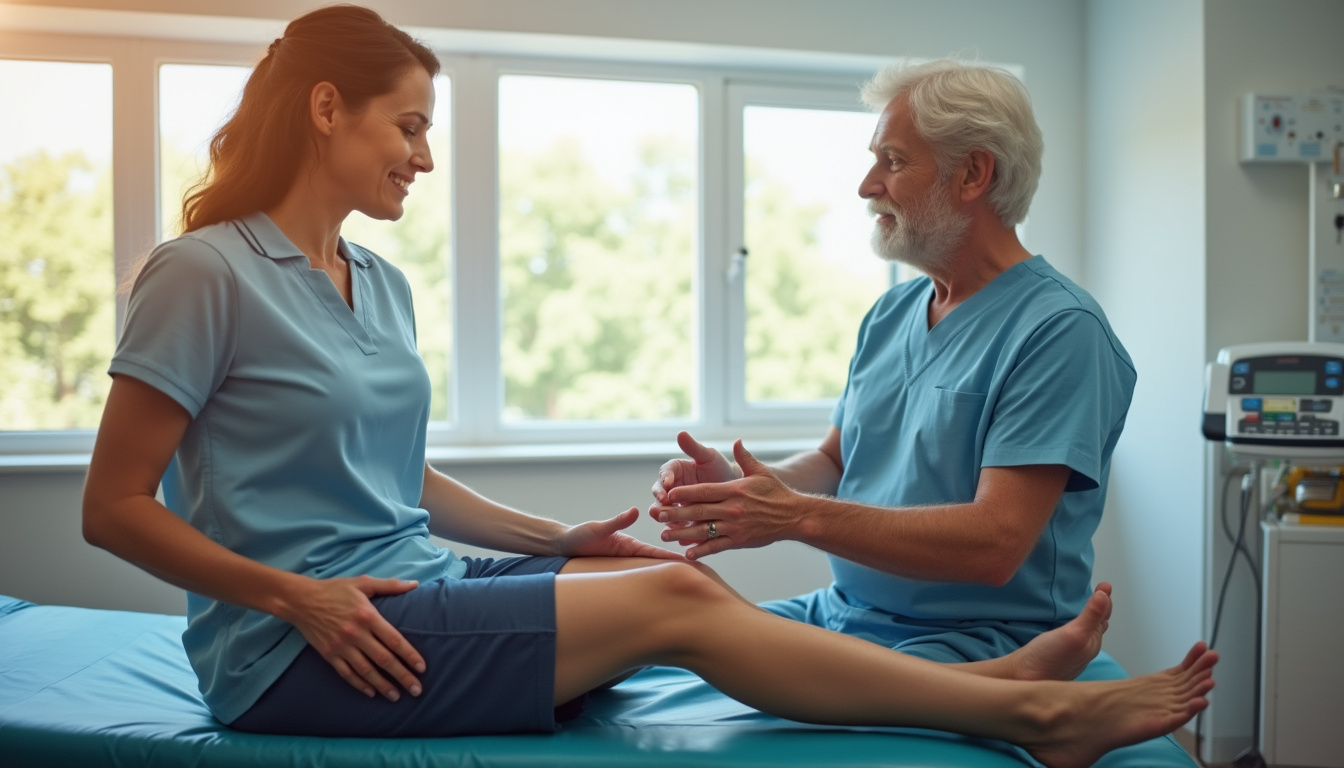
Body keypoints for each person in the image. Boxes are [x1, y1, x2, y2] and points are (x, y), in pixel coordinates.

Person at [82, 9, 1215, 767]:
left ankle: (998, 681)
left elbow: (389, 476)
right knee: (678, 605)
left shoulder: (371, 283)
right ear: (326, 109)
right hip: (312, 637)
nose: (424, 156)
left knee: (658, 579)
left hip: (401, 584)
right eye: (411, 125)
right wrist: (293, 598)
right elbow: (114, 508)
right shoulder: (203, 273)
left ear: (973, 176)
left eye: (894, 162)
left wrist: (558, 538)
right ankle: (1033, 711)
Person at [650, 61, 1186, 767]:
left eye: (893, 161)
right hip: (843, 616)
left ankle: (1016, 696)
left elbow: (996, 544)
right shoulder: (893, 311)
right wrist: (753, 489)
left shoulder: (1059, 330)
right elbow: (838, 463)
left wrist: (793, 518)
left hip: (977, 635)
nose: (867, 185)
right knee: (664, 631)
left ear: (972, 176)